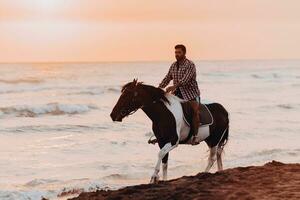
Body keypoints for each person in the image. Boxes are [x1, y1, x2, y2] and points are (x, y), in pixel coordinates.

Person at [158, 44, 201, 142]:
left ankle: (195, 136)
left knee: (195, 112)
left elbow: (185, 80)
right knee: (165, 110)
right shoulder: (173, 65)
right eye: (175, 52)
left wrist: (173, 86)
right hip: (177, 94)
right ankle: (163, 134)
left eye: (179, 52)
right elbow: (167, 78)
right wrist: (159, 88)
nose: (176, 54)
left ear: (184, 53)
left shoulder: (190, 65)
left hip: (191, 94)